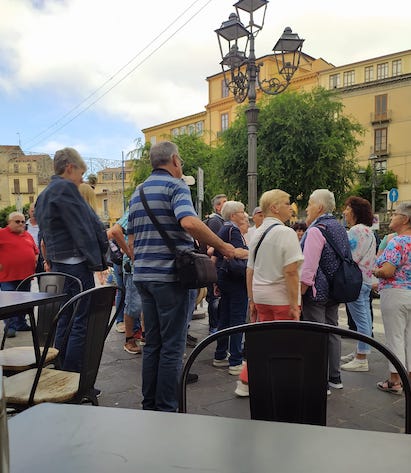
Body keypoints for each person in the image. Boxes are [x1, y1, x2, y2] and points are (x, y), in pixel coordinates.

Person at [127, 141, 235, 412]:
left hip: (143, 277)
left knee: (153, 344)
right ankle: (166, 409)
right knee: (172, 348)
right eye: (182, 162)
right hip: (171, 279)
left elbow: (131, 240)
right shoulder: (176, 186)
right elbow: (188, 221)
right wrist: (224, 247)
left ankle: (149, 405)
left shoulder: (137, 192)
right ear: (175, 160)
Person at [35, 147, 108, 372]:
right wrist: (100, 258)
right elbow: (88, 226)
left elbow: (44, 234)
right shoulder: (67, 188)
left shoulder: (45, 194)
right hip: (76, 266)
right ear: (70, 168)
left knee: (65, 318)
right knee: (80, 322)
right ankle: (75, 377)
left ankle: (61, 370)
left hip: (58, 265)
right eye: (80, 175)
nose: (81, 181)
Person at [235, 190, 304, 397]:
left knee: (262, 341)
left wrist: (251, 299)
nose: (290, 207)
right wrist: (294, 305)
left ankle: (245, 382)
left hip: (261, 295)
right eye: (287, 202)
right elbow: (291, 271)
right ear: (274, 207)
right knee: (285, 343)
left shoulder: (256, 234)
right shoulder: (286, 233)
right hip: (282, 297)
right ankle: (282, 386)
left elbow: (250, 270)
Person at [300, 189, 352, 392]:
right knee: (333, 331)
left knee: (315, 335)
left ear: (319, 207)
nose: (306, 208)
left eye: (310, 204)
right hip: (336, 289)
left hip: (316, 292)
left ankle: (318, 379)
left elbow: (308, 269)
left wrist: (300, 293)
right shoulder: (339, 228)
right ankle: (335, 377)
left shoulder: (315, 230)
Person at [373, 202, 411, 395]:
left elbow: (388, 271)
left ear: (405, 219)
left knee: (395, 337)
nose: (392, 217)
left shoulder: (397, 242)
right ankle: (408, 379)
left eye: (395, 214)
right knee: (409, 337)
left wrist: (376, 272)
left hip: (396, 293)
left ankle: (395, 381)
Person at [212, 200, 249, 377]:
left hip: (224, 278)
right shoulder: (233, 230)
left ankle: (220, 355)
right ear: (234, 215)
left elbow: (215, 254)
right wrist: (253, 251)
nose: (244, 214)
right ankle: (235, 361)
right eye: (242, 212)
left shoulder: (223, 228)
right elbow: (237, 253)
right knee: (237, 319)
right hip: (236, 280)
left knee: (224, 318)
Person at [340, 196, 376, 372]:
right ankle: (360, 352)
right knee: (365, 319)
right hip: (366, 279)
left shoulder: (355, 231)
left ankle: (361, 358)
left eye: (347, 208)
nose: (344, 212)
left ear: (354, 211)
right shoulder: (369, 231)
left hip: (355, 280)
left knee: (360, 320)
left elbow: (351, 257)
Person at [0, 211, 39, 337]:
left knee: (24, 301)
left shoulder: (27, 235)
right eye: (17, 221)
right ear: (9, 222)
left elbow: (35, 250)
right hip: (7, 276)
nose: (21, 224)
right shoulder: (2, 234)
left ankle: (21, 324)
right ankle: (10, 327)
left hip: (26, 275)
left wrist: (35, 258)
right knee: (9, 302)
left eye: (23, 221)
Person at [204, 193, 227, 334]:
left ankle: (216, 326)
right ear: (218, 207)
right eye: (225, 202)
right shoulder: (215, 222)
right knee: (214, 298)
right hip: (215, 266)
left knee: (216, 298)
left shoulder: (220, 221)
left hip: (218, 266)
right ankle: (214, 327)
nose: (227, 204)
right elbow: (213, 246)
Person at [26, 203, 43, 273]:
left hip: (41, 257)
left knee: (42, 279)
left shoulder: (43, 225)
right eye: (32, 211)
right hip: (27, 257)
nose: (34, 213)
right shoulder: (23, 226)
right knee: (26, 280)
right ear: (29, 212)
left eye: (36, 211)